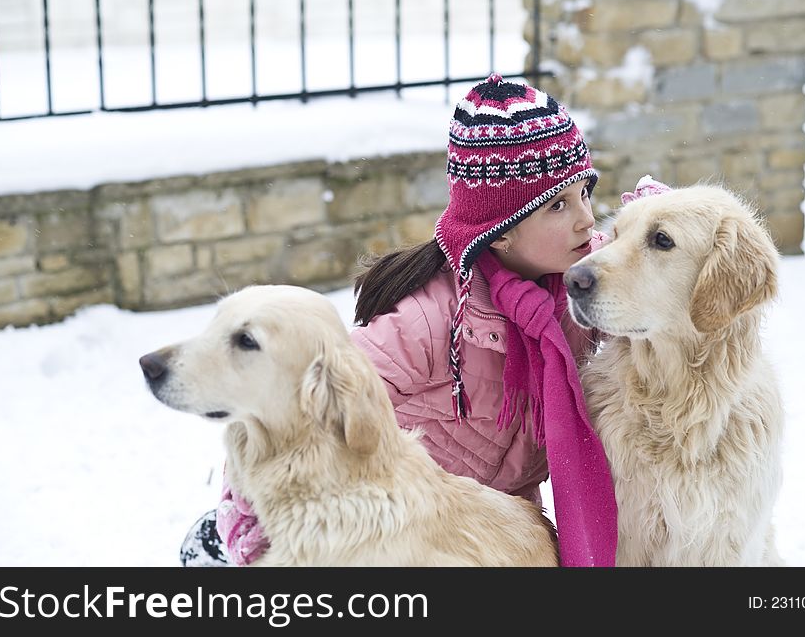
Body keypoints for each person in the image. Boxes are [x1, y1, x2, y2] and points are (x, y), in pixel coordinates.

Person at [180, 73, 618, 567]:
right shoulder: (426, 323)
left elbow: (651, 272)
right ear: (499, 233)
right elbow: (290, 413)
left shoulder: (580, 288)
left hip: (487, 530)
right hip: (387, 528)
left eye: (586, 192)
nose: (586, 218)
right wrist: (253, 531)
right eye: (558, 205)